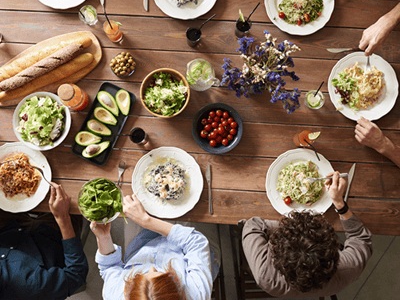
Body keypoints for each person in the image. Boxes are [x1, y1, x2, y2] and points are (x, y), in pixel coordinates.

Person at [242, 171, 372, 297]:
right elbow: (361, 238)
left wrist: (286, 229)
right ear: (333, 250)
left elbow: (252, 225)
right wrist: (339, 203)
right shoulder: (349, 268)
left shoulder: (265, 275)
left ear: (275, 255)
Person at [91, 193, 219, 299]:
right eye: (160, 273)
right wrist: (146, 221)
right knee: (205, 200)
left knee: (134, 198)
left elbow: (109, 267)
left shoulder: (115, 296)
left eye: (141, 276)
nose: (152, 268)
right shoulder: (196, 294)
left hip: (142, 243)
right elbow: (196, 242)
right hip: (191, 250)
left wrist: (103, 238)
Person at [0, 183, 89, 299]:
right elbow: (76, 274)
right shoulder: (33, 288)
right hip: (53, 233)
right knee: (75, 190)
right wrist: (63, 218)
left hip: (8, 227)